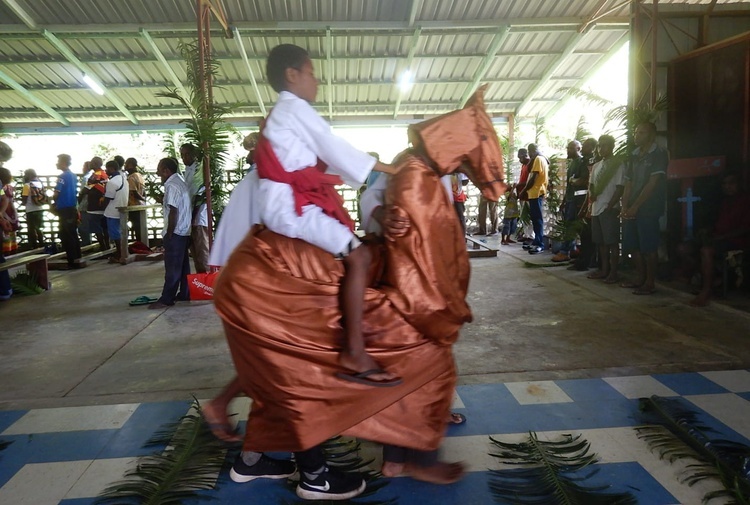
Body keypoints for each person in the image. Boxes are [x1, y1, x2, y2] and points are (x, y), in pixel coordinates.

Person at [255, 43, 400, 388]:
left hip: (290, 199)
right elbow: (333, 146)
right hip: (290, 207)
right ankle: (354, 350)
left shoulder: (287, 111)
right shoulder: (294, 108)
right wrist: (391, 169)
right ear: (293, 75)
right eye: (312, 73)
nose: (316, 81)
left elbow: (329, 155)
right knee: (361, 256)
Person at [687, 171, 750, 306]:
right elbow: (719, 225)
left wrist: (721, 237)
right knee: (684, 248)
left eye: (731, 183)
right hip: (720, 238)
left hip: (737, 241)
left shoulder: (746, 201)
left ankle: (706, 290)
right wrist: (708, 231)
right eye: (725, 184)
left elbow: (745, 228)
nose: (728, 187)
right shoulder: (725, 201)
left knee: (706, 251)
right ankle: (712, 279)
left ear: (739, 184)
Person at [620, 122, 668, 295]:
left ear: (652, 135)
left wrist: (636, 206)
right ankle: (639, 278)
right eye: (636, 132)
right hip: (632, 205)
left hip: (649, 207)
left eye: (641, 132)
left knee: (648, 247)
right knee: (633, 245)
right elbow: (628, 182)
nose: (637, 135)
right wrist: (625, 205)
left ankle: (650, 282)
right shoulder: (633, 155)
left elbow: (652, 183)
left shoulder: (658, 154)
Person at [149, 158, 192, 310]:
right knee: (183, 265)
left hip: (176, 231)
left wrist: (169, 233)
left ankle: (167, 299)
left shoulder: (171, 185)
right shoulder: (179, 181)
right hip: (184, 230)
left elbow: (173, 210)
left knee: (172, 267)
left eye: (160, 170)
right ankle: (185, 293)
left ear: (166, 170)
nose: (157, 173)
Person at [587, 135, 624, 283]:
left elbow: (620, 186)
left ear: (612, 146)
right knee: (600, 242)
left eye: (605, 145)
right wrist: (591, 198)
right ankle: (604, 270)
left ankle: (613, 272)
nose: (601, 149)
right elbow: (591, 184)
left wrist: (611, 204)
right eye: (599, 146)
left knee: (612, 242)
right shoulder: (597, 165)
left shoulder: (618, 164)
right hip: (597, 207)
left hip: (609, 207)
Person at [552, 140, 586, 262]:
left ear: (579, 149)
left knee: (571, 226)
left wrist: (574, 182)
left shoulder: (581, 162)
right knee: (568, 225)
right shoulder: (572, 164)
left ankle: (565, 252)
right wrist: (564, 201)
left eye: (571, 148)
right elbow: (569, 185)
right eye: (568, 148)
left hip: (578, 200)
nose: (568, 150)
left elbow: (582, 181)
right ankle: (572, 249)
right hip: (570, 199)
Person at [180, 144, 210, 274]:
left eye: (186, 154)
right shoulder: (187, 170)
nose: (184, 158)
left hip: (198, 217)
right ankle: (200, 281)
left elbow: (201, 196)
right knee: (195, 252)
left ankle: (208, 282)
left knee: (202, 249)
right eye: (182, 155)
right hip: (189, 216)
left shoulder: (200, 169)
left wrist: (192, 217)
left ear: (194, 155)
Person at [52, 154, 82, 269]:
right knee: (73, 233)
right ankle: (78, 256)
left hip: (64, 209)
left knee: (65, 235)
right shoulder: (73, 176)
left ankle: (71, 260)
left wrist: (53, 202)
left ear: (63, 162)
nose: (56, 163)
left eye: (58, 161)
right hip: (72, 208)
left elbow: (56, 193)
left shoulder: (61, 177)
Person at [520, 143, 549, 254]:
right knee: (535, 219)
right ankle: (536, 241)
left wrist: (524, 190)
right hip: (534, 193)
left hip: (537, 193)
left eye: (530, 152)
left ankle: (539, 244)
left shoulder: (538, 159)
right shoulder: (541, 159)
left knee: (537, 219)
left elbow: (533, 178)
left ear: (532, 151)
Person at [103, 160, 129, 263]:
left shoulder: (112, 182)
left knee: (115, 235)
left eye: (107, 168)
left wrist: (102, 207)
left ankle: (119, 254)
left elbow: (108, 198)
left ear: (112, 168)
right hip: (122, 210)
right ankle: (122, 253)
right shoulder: (123, 179)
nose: (106, 170)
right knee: (120, 233)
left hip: (112, 211)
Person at [84, 157, 110, 251]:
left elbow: (86, 189)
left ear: (95, 164)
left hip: (95, 205)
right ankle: (108, 247)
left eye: (91, 163)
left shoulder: (95, 175)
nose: (89, 164)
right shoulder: (105, 174)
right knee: (105, 228)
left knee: (97, 228)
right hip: (104, 205)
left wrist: (79, 197)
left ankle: (103, 248)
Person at [21, 169, 47, 248]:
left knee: (31, 229)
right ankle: (42, 245)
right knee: (39, 228)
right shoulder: (40, 184)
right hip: (40, 208)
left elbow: (24, 199)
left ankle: (34, 247)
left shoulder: (27, 185)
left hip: (30, 210)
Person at [125, 157, 147, 243]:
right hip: (141, 205)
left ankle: (139, 245)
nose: (125, 166)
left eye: (126, 164)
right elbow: (144, 191)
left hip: (133, 205)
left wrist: (142, 199)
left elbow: (133, 192)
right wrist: (144, 200)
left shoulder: (131, 177)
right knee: (140, 227)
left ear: (130, 165)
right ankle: (142, 244)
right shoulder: (139, 175)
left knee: (136, 227)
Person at [0, 167, 19, 256]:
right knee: (11, 232)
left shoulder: (2, 188)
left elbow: (4, 199)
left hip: (4, 213)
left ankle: (6, 251)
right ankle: (12, 250)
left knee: (5, 233)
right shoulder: (10, 187)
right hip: (11, 212)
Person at [78, 161, 93, 247]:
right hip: (91, 205)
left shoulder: (86, 178)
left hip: (84, 204)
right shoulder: (93, 176)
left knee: (83, 227)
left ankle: (86, 244)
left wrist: (78, 203)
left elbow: (83, 192)